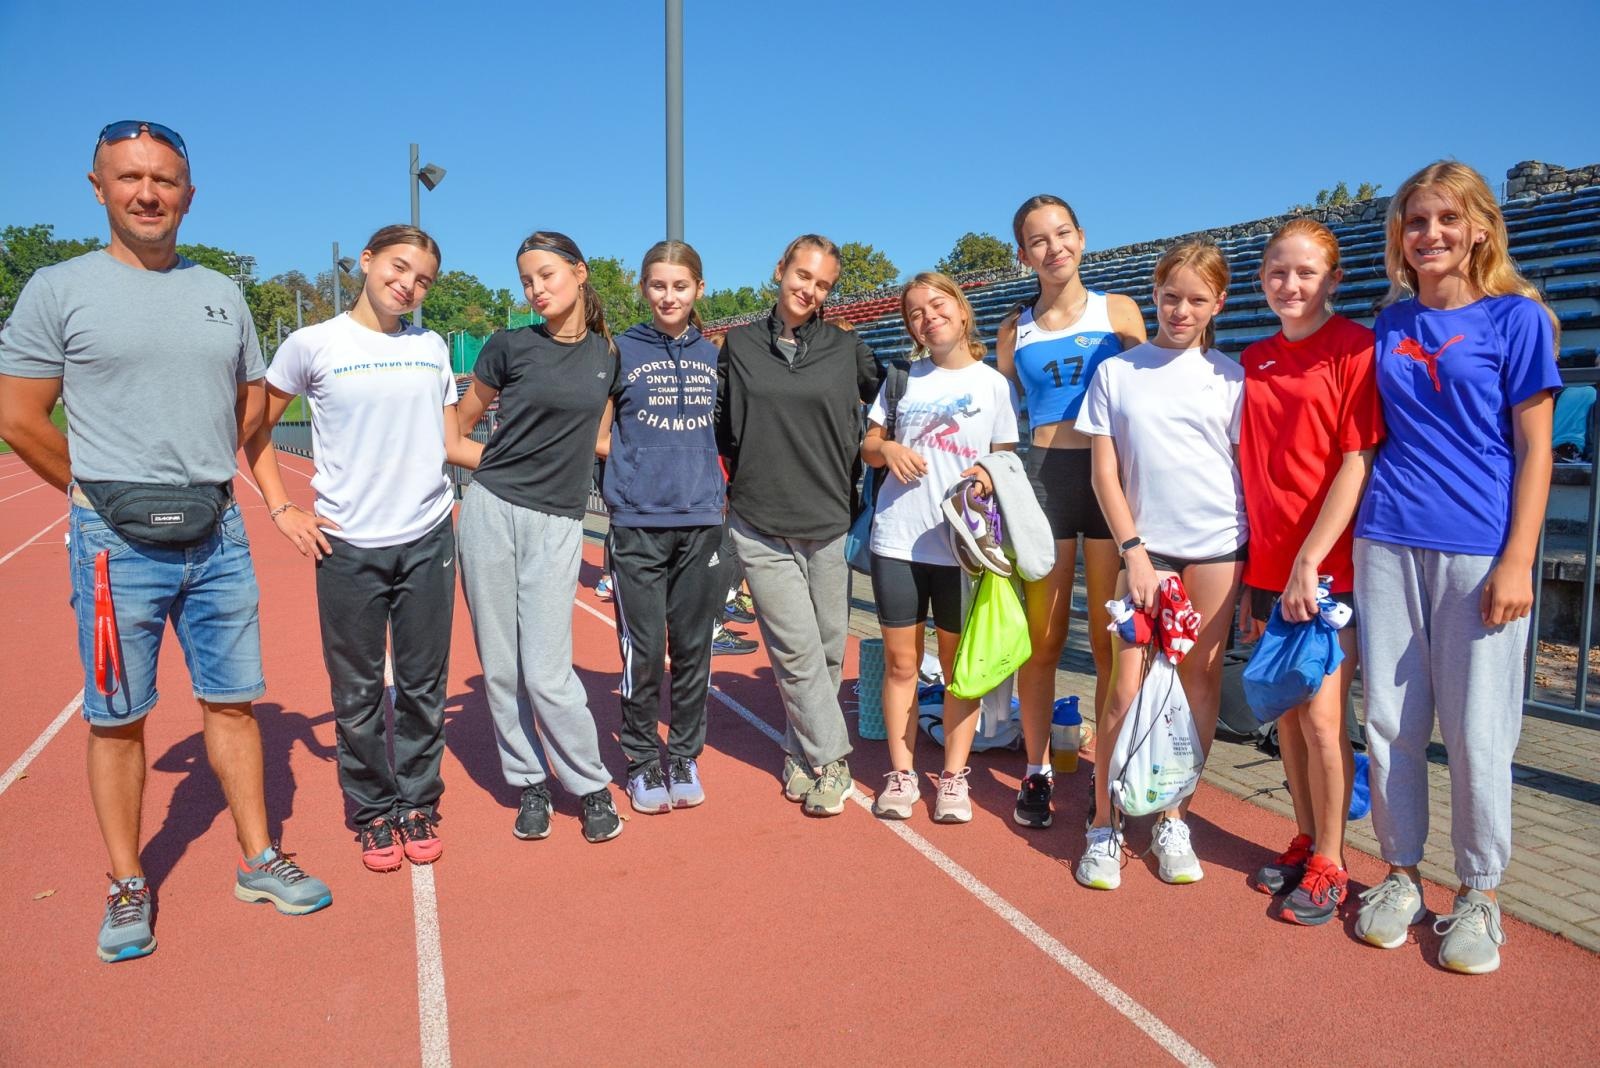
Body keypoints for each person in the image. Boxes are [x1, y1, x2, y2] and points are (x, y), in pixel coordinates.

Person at [0, 120, 330, 963]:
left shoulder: (221, 290)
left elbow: (254, 405)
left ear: (189, 193)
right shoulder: (57, 288)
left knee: (234, 702)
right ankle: (126, 884)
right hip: (115, 544)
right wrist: (90, 492)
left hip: (216, 531)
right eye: (130, 178)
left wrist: (269, 498)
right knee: (119, 719)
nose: (148, 193)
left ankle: (259, 858)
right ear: (99, 186)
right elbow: (18, 417)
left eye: (164, 179)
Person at [1351, 161, 1560, 974]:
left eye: (1445, 219)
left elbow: (1536, 449)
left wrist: (1519, 559)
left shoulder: (1519, 319)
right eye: (1414, 222)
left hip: (1479, 550)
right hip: (1387, 540)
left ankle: (1480, 893)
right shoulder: (1387, 321)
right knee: (1394, 723)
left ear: (1479, 227)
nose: (1429, 234)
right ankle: (1401, 875)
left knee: (1478, 734)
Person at [244, 225, 482, 872]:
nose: (408, 283)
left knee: (423, 687)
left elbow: (450, 441)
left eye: (423, 278)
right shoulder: (312, 344)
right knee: (354, 693)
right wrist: (282, 505)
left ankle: (417, 803)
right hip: (347, 548)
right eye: (399, 267)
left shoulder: (431, 347)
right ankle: (374, 811)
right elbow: (255, 429)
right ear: (367, 261)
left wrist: (534, 462)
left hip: (428, 539)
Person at [1074, 240, 1247, 890]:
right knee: (1124, 688)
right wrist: (1135, 552)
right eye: (1171, 296)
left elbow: (1237, 472)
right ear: (1155, 293)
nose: (1181, 309)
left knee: (1198, 687)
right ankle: (1103, 823)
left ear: (1218, 303)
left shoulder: (1233, 376)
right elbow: (1105, 473)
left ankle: (1174, 816)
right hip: (1147, 553)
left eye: (1196, 299)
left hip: (1219, 549)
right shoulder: (1118, 373)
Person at [1237, 219, 1384, 924]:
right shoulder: (1254, 356)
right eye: (1276, 272)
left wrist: (1309, 561)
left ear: (1334, 279)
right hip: (1268, 566)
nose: (1289, 285)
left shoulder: (1355, 348)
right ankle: (1303, 838)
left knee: (1325, 720)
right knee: (1288, 719)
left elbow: (1356, 461)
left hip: (1327, 570)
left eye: (1304, 273)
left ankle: (1333, 859)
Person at [455, 231, 623, 844]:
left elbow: (602, 437)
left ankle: (591, 784)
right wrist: (494, 470)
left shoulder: (610, 354)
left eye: (547, 275)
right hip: (491, 511)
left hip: (558, 521)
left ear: (579, 273)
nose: (536, 289)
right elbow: (460, 427)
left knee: (548, 670)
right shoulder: (508, 345)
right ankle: (530, 783)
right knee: (501, 667)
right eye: (527, 280)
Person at [996, 195, 1147, 829]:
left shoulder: (1119, 311)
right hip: (1045, 483)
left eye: (1063, 234)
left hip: (1111, 481)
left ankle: (1111, 772)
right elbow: (1002, 412)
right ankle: (1036, 769)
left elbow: (1155, 386)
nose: (1053, 247)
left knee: (1112, 641)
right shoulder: (1013, 327)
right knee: (1044, 638)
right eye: (1038, 240)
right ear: (1023, 254)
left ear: (1081, 238)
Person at [716, 234, 881, 817]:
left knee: (829, 651)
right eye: (802, 275)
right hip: (760, 520)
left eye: (823, 284)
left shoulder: (848, 349)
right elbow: (724, 432)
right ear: (780, 269)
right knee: (794, 649)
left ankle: (799, 755)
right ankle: (834, 761)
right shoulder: (736, 345)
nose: (809, 289)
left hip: (831, 519)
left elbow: (885, 405)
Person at [863, 272, 1018, 823]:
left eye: (937, 304)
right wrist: (888, 450)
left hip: (961, 548)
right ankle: (902, 774)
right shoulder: (902, 378)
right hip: (897, 541)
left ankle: (953, 778)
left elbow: (1006, 461)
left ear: (961, 308)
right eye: (915, 312)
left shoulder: (993, 384)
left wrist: (985, 473)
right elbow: (868, 444)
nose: (927, 316)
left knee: (959, 670)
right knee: (903, 664)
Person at [593, 240, 725, 813]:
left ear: (698, 289)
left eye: (680, 286)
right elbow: (598, 435)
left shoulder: (716, 355)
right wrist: (636, 465)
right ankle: (644, 759)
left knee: (694, 648)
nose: (668, 296)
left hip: (701, 522)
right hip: (638, 522)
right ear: (643, 289)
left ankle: (685, 753)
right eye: (657, 285)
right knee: (643, 650)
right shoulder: (619, 350)